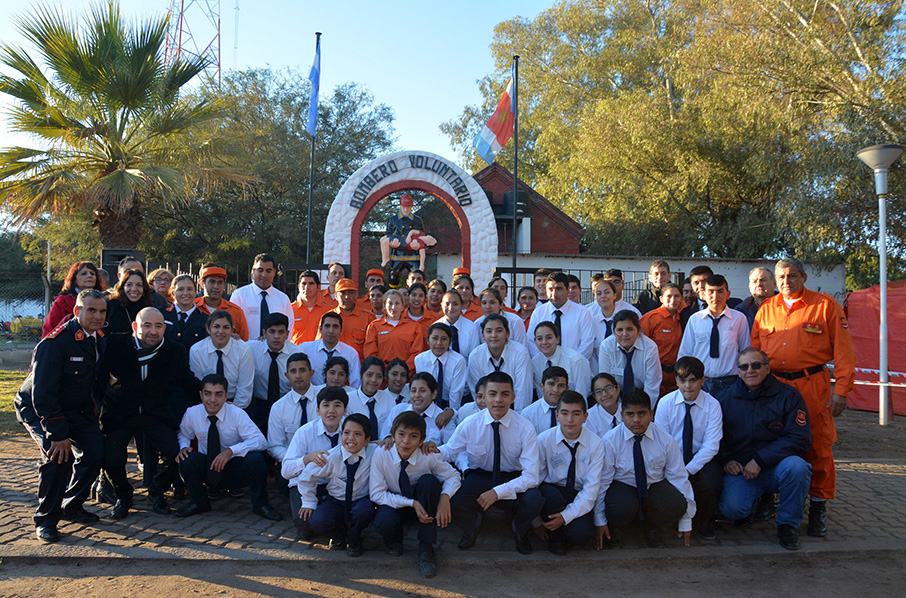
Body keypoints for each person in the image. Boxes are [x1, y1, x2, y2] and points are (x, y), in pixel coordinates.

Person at [751, 258, 856, 538]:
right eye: (781, 277)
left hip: (812, 386)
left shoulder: (825, 306)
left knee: (817, 446)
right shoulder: (766, 309)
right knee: (769, 440)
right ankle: (768, 499)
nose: (786, 281)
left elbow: (845, 352)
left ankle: (818, 506)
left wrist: (841, 390)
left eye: (792, 276)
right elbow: (755, 352)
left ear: (804, 277)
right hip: (774, 388)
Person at [16, 289, 107, 542]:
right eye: (91, 310)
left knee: (95, 453)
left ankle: (71, 506)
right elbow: (43, 394)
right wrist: (57, 434)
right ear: (77, 311)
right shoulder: (55, 343)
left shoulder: (99, 338)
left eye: (102, 311)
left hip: (76, 409)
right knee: (58, 458)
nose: (97, 316)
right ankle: (46, 519)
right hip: (41, 409)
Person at [99, 307, 198, 519]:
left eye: (158, 326)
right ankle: (123, 496)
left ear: (164, 328)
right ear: (135, 326)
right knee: (111, 459)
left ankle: (157, 493)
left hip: (155, 412)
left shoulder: (174, 350)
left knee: (173, 453)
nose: (153, 331)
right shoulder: (114, 344)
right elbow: (98, 379)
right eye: (147, 325)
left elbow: (186, 380)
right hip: (120, 412)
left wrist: (212, 398)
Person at [431, 371, 544, 554]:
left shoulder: (525, 427)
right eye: (492, 394)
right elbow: (450, 451)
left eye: (504, 394)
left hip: (512, 477)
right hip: (480, 476)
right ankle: (472, 526)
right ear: (484, 397)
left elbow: (531, 477)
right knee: (454, 500)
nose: (498, 400)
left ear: (512, 398)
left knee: (534, 499)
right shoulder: (471, 423)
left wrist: (497, 492)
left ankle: (519, 530)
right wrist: (431, 451)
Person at [716, 347, 812, 550]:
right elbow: (715, 437)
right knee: (732, 510)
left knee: (798, 468)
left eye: (756, 365)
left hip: (777, 467)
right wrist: (726, 460)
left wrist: (760, 459)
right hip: (743, 471)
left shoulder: (788, 396)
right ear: (738, 372)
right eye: (744, 367)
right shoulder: (724, 399)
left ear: (768, 368)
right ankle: (757, 502)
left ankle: (787, 524)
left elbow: (800, 438)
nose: (750, 370)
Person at [594, 388, 696, 549]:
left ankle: (653, 526)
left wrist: (686, 519)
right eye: (630, 414)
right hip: (623, 486)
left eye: (641, 413)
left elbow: (679, 477)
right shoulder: (610, 441)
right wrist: (599, 520)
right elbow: (602, 482)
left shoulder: (665, 440)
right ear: (622, 415)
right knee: (620, 508)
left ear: (651, 414)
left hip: (653, 486)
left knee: (676, 504)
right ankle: (616, 527)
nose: (636, 420)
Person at [175, 374, 282, 520]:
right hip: (208, 466)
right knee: (186, 459)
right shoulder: (192, 413)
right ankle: (199, 502)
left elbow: (260, 441)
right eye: (208, 394)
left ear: (226, 396)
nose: (212, 400)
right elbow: (184, 434)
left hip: (234, 469)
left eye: (218, 394)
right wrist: (184, 447)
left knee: (256, 459)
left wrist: (231, 451)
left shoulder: (237, 414)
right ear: (201, 395)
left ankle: (261, 504)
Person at [371, 411, 461, 577]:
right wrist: (411, 503)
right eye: (401, 434)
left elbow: (453, 476)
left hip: (424, 507)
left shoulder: (427, 455)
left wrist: (445, 497)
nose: (406, 441)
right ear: (392, 436)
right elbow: (377, 494)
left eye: (413, 436)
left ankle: (426, 548)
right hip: (396, 504)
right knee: (383, 521)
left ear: (421, 440)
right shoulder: (382, 453)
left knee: (429, 482)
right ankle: (394, 540)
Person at [653, 356, 723, 540]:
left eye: (693, 380)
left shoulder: (713, 405)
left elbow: (711, 444)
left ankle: (705, 521)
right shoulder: (665, 403)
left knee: (712, 482)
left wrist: (689, 469)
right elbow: (661, 441)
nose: (688, 386)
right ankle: (669, 521)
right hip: (671, 459)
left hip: (700, 458)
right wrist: (676, 468)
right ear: (676, 380)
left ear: (703, 380)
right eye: (683, 381)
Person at [536, 390, 605, 555]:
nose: (570, 420)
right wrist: (535, 521)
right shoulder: (544, 440)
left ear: (585, 417)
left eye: (576, 414)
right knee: (550, 495)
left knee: (581, 535)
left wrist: (565, 516)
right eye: (565, 413)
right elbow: (534, 480)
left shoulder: (596, 444)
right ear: (557, 416)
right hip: (552, 493)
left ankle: (564, 532)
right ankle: (555, 538)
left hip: (578, 494)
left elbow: (591, 490)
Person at [296, 413, 376, 555]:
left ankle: (354, 538)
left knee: (365, 511)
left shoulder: (374, 453)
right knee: (317, 520)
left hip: (360, 499)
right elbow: (306, 476)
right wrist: (309, 501)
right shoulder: (331, 456)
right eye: (346, 433)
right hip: (336, 500)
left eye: (357, 434)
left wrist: (387, 441)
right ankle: (339, 537)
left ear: (367, 440)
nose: (351, 438)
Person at [279, 385, 347, 537]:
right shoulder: (305, 432)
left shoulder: (350, 431)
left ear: (345, 410)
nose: (331, 411)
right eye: (326, 405)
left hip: (337, 485)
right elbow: (286, 471)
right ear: (317, 410)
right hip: (305, 485)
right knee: (305, 525)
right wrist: (307, 459)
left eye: (337, 405)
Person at [678, 275, 750, 397]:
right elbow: (685, 353)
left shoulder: (739, 319)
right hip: (700, 382)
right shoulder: (695, 319)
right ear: (703, 294)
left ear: (728, 294)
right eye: (711, 292)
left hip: (729, 382)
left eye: (720, 291)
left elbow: (745, 352)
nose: (715, 296)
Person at [467, 314, 534, 411]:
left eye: (499, 331)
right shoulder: (475, 356)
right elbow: (478, 394)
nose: (493, 335)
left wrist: (517, 417)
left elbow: (523, 392)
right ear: (483, 336)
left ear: (507, 334)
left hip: (514, 408)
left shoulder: (520, 353)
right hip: (486, 410)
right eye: (489, 331)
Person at [188, 310, 254, 409]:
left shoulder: (243, 350)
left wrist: (234, 410)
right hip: (207, 403)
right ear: (208, 329)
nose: (221, 331)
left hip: (236, 403)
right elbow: (198, 385)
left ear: (232, 330)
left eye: (226, 327)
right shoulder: (197, 350)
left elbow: (244, 387)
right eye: (216, 326)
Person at [247, 313, 300, 434]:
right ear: (264, 333)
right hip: (259, 405)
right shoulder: (251, 349)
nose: (276, 336)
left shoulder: (296, 353)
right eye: (272, 332)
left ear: (287, 334)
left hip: (286, 404)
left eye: (281, 332)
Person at [597, 310, 662, 406]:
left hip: (642, 394)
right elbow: (606, 382)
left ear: (638, 331)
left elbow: (652, 387)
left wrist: (644, 410)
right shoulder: (606, 346)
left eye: (630, 329)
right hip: (615, 395)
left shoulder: (650, 348)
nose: (625, 334)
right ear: (614, 332)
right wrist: (618, 411)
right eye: (620, 330)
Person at [528, 272, 595, 361]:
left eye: (559, 289)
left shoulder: (582, 313)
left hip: (575, 366)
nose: (554, 294)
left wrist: (572, 364)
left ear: (567, 290)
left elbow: (587, 344)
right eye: (550, 289)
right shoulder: (538, 313)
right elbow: (531, 342)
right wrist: (545, 363)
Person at [229, 253, 294, 340]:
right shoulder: (239, 295)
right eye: (260, 270)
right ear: (253, 271)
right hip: (246, 347)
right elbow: (232, 326)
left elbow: (289, 328)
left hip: (275, 347)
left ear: (274, 272)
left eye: (268, 271)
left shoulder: (283, 299)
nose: (264, 275)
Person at [381, 373, 456, 446]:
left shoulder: (443, 418)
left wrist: (434, 450)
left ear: (434, 394)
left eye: (422, 391)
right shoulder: (398, 410)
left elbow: (451, 448)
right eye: (413, 391)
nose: (417, 395)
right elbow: (384, 436)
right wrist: (387, 438)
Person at [364, 290, 425, 373]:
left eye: (397, 303)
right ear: (384, 306)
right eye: (390, 303)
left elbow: (417, 352)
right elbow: (370, 353)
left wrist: (403, 369)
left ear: (402, 306)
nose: (393, 307)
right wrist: (383, 370)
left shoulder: (414, 326)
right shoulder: (374, 326)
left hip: (406, 374)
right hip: (382, 374)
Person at [640, 282, 685, 396]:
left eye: (677, 296)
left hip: (676, 376)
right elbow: (641, 348)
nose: (673, 300)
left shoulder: (683, 318)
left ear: (681, 298)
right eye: (669, 296)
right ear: (661, 299)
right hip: (655, 374)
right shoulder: (650, 319)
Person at [43, 261, 105, 337]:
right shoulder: (63, 301)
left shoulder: (104, 301)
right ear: (74, 278)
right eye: (84, 274)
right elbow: (49, 330)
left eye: (92, 274)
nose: (89, 276)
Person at [414, 322, 468, 410]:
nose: (439, 343)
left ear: (450, 342)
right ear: (428, 340)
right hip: (427, 404)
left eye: (444, 339)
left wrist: (452, 412)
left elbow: (456, 393)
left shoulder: (458, 360)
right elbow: (421, 387)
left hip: (448, 404)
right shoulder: (420, 359)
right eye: (435, 338)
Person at [531, 322, 591, 399]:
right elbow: (542, 395)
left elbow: (581, 395)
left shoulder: (576, 360)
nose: (544, 342)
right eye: (539, 339)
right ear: (535, 341)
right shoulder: (535, 362)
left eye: (549, 338)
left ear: (557, 339)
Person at [379, 192, 436, 273]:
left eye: (408, 207)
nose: (405, 210)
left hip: (413, 256)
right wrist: (392, 243)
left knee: (416, 275)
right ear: (400, 206)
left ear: (412, 207)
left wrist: (419, 246)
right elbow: (388, 233)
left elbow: (422, 237)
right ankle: (385, 258)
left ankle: (385, 258)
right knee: (393, 275)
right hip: (397, 255)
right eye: (403, 207)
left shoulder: (417, 220)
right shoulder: (393, 219)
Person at [304, 313, 362, 389]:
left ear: (341, 331)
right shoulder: (305, 349)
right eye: (327, 326)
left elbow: (356, 383)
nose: (331, 331)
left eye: (335, 327)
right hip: (313, 395)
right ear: (320, 329)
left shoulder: (351, 353)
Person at [193, 264, 251, 341]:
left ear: (224, 286)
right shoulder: (192, 307)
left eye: (220, 282)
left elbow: (243, 342)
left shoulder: (236, 312)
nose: (216, 286)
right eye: (212, 282)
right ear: (202, 284)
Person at [347, 357, 396, 441]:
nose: (374, 380)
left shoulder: (388, 398)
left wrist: (388, 437)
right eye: (369, 375)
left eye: (379, 376)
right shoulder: (349, 399)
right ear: (361, 375)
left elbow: (393, 427)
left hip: (382, 447)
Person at [328, 278, 374, 361]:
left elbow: (372, 347)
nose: (347, 297)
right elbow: (320, 344)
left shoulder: (368, 317)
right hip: (333, 365)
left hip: (359, 365)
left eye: (350, 292)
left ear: (356, 295)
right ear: (336, 296)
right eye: (342, 293)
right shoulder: (328, 318)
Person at [163, 274, 209, 352]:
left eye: (189, 289)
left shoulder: (205, 319)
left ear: (195, 292)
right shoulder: (162, 315)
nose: (185, 293)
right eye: (180, 289)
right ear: (173, 294)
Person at [521, 366, 570, 436]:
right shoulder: (528, 414)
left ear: (567, 388)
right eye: (551, 384)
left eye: (561, 385)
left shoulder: (573, 412)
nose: (556, 390)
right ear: (542, 386)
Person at [105, 268, 154, 337]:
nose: (134, 289)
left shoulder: (149, 308)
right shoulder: (111, 306)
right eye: (129, 285)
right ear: (122, 287)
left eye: (139, 285)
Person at [290, 270, 334, 345]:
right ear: (299, 287)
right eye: (304, 284)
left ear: (319, 287)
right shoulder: (290, 309)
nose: (307, 287)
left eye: (311, 284)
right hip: (296, 350)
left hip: (319, 350)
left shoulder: (329, 310)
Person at [435, 290, 481, 360]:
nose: (451, 308)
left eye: (455, 304)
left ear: (461, 305)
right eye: (447, 304)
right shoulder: (435, 328)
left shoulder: (471, 327)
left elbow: (474, 357)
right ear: (441, 305)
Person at [586, 373, 622, 438]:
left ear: (618, 389)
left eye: (608, 388)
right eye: (598, 391)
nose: (604, 394)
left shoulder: (628, 410)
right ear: (594, 396)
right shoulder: (589, 418)